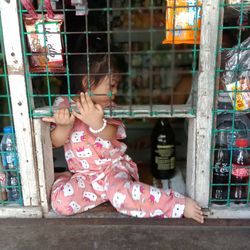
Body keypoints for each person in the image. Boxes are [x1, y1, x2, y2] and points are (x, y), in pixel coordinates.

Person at [42, 54, 204, 223]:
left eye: (117, 85)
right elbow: (55, 142)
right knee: (60, 203)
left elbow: (113, 133)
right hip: (85, 176)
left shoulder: (109, 107)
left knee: (120, 194)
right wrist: (64, 126)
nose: (116, 91)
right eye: (112, 85)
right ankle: (72, 179)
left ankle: (178, 204)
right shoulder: (64, 104)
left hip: (113, 169)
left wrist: (97, 123)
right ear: (87, 82)